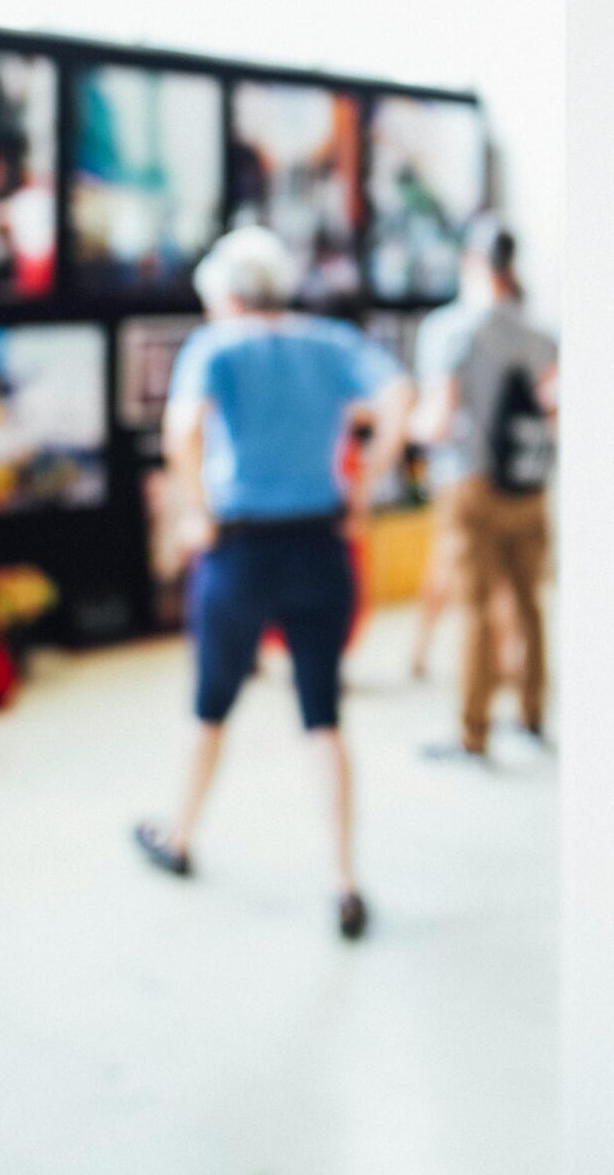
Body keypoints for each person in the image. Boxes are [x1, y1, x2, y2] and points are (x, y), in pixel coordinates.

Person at [134, 226, 412, 940]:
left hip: (241, 550)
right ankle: (346, 881)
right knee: (322, 715)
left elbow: (181, 429)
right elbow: (401, 396)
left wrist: (197, 509)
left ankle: (181, 835)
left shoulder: (217, 346)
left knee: (211, 703)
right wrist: (366, 483)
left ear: (225, 294)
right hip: (321, 545)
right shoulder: (329, 341)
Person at [411, 218, 558, 762]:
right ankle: (532, 716)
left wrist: (411, 427)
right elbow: (553, 409)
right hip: (529, 485)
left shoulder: (449, 330)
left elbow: (440, 416)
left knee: (474, 608)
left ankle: (473, 732)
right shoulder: (541, 333)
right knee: (528, 603)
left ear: (471, 263)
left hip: (468, 484)